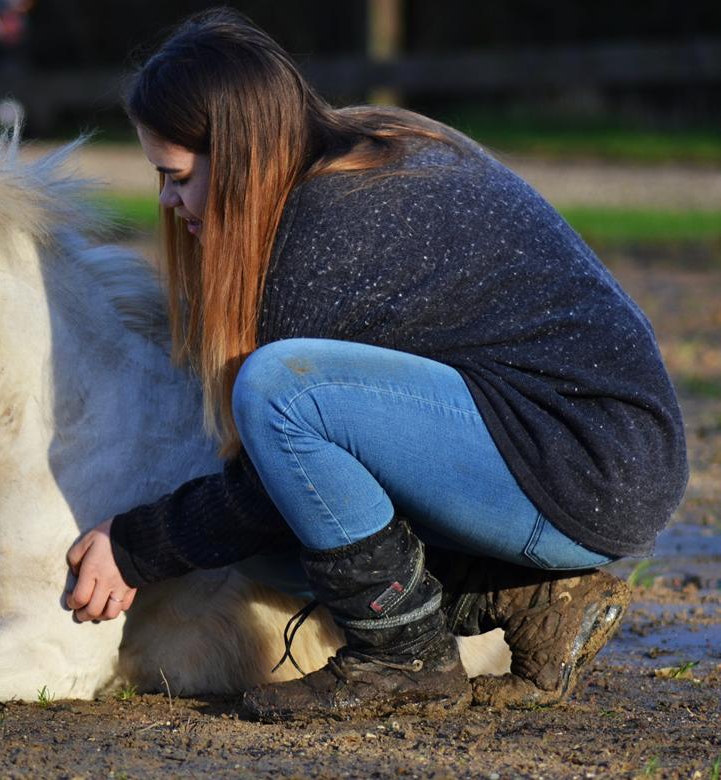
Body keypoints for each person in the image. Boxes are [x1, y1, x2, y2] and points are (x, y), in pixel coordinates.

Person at [65, 8, 688, 720]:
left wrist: (136, 546)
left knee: (280, 392)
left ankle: (405, 660)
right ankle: (527, 597)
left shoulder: (319, 238)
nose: (167, 203)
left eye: (175, 176)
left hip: (583, 462)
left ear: (236, 158)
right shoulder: (370, 142)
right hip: (594, 451)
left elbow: (271, 485)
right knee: (273, 550)